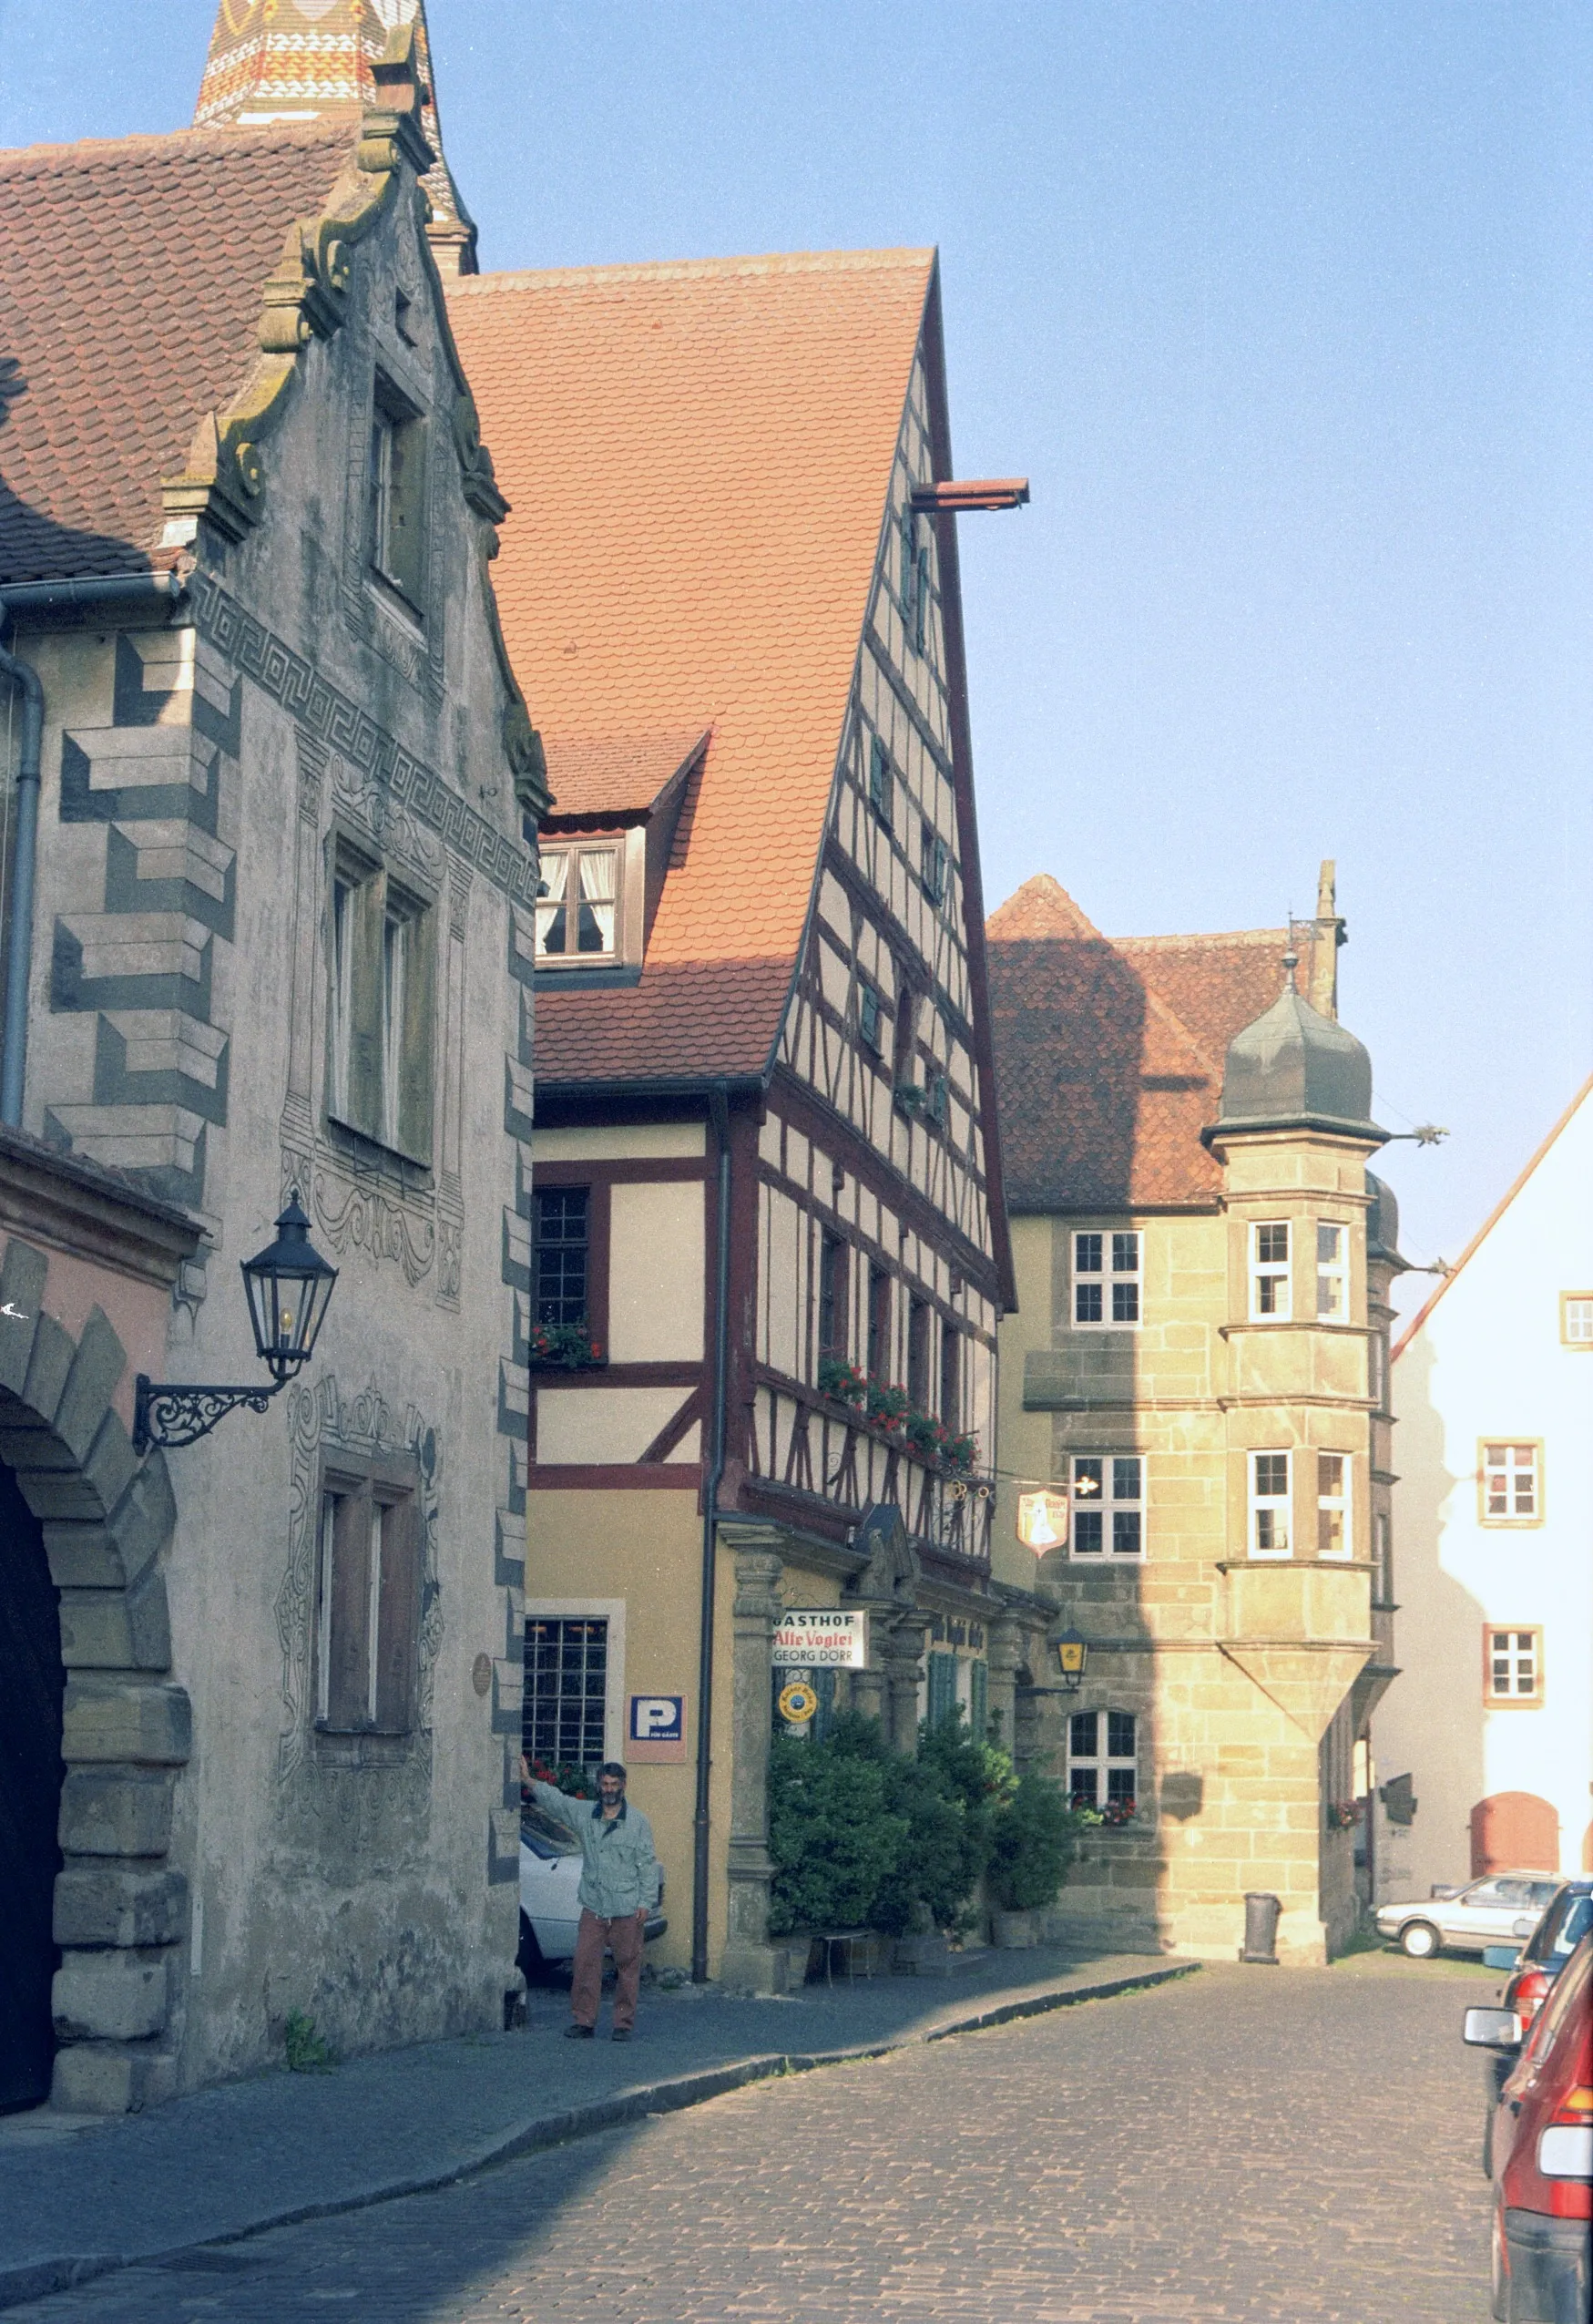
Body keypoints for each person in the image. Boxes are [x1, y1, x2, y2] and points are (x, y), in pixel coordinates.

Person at [522, 1757, 660, 2041]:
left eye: (614, 1784)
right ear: (599, 1785)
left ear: (623, 1786)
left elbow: (647, 1864)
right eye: (604, 1784)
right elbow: (557, 1802)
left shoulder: (637, 1822)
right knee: (585, 1964)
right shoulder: (585, 1814)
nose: (609, 1789)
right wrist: (528, 1780)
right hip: (594, 1907)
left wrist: (645, 1903)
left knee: (627, 1968)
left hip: (625, 1908)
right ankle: (584, 2021)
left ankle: (623, 2024)